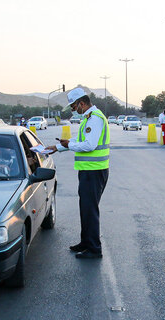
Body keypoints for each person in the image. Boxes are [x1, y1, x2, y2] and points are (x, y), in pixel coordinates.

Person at [45, 87, 110, 259]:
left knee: (90, 210)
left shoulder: (95, 119)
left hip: (95, 172)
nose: (74, 111)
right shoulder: (88, 118)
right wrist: (57, 147)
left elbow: (89, 145)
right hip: (89, 171)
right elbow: (79, 141)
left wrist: (67, 145)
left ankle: (94, 249)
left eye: (74, 107)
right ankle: (86, 242)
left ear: (82, 103)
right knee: (85, 208)